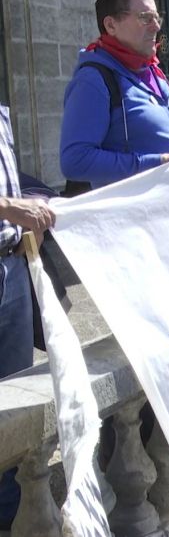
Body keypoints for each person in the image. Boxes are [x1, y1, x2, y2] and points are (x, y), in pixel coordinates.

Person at [60, 0, 169, 189]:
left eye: (157, 18)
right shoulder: (93, 79)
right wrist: (153, 164)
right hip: (137, 218)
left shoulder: (154, 74)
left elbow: (168, 146)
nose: (156, 27)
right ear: (111, 25)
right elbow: (75, 160)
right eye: (145, 18)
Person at [0, 105, 55, 530]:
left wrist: (25, 225)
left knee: (14, 396)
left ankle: (8, 509)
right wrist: (10, 209)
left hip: (12, 265)